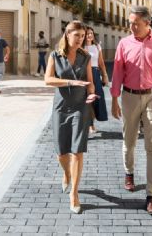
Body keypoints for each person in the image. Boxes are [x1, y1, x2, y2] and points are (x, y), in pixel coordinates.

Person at [111, 6, 152, 216]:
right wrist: (114, 98)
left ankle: (151, 195)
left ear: (148, 23)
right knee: (129, 141)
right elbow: (117, 72)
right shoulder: (124, 43)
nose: (131, 26)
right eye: (130, 22)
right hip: (129, 97)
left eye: (135, 23)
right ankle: (129, 172)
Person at [44, 20, 98, 214]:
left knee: (77, 151)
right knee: (61, 152)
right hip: (60, 107)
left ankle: (74, 193)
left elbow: (90, 82)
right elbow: (48, 80)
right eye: (77, 36)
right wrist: (71, 82)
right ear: (67, 35)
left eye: (83, 36)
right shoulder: (55, 55)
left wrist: (91, 93)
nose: (80, 39)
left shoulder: (86, 56)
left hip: (80, 108)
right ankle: (66, 173)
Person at [85, 26, 109, 134]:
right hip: (84, 74)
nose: (89, 35)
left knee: (97, 98)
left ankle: (92, 122)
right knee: (87, 100)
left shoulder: (97, 46)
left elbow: (101, 62)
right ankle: (90, 124)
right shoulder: (80, 47)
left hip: (95, 73)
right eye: (87, 33)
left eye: (91, 33)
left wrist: (104, 75)